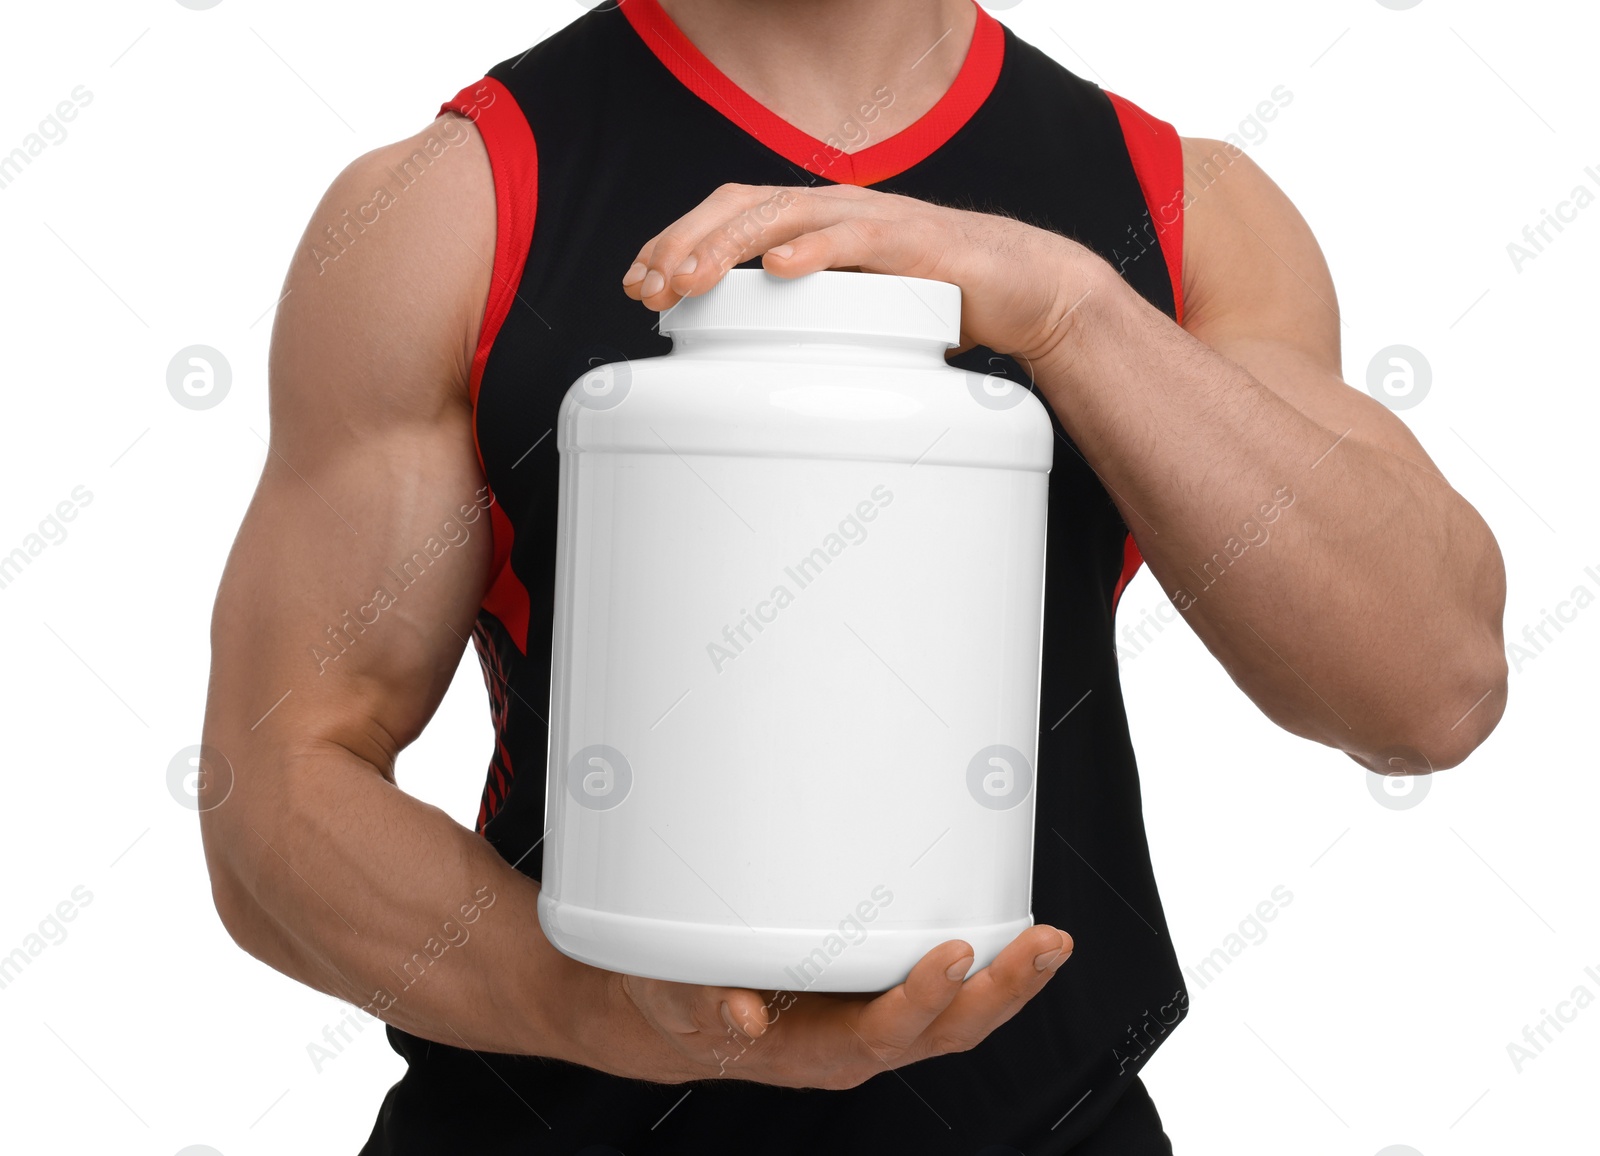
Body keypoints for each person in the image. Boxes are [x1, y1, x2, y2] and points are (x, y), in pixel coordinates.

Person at [198, 0, 1508, 1151]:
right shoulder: (454, 208)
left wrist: (1067, 311)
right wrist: (605, 1012)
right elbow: (274, 795)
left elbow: (1426, 691)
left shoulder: (1181, 211)